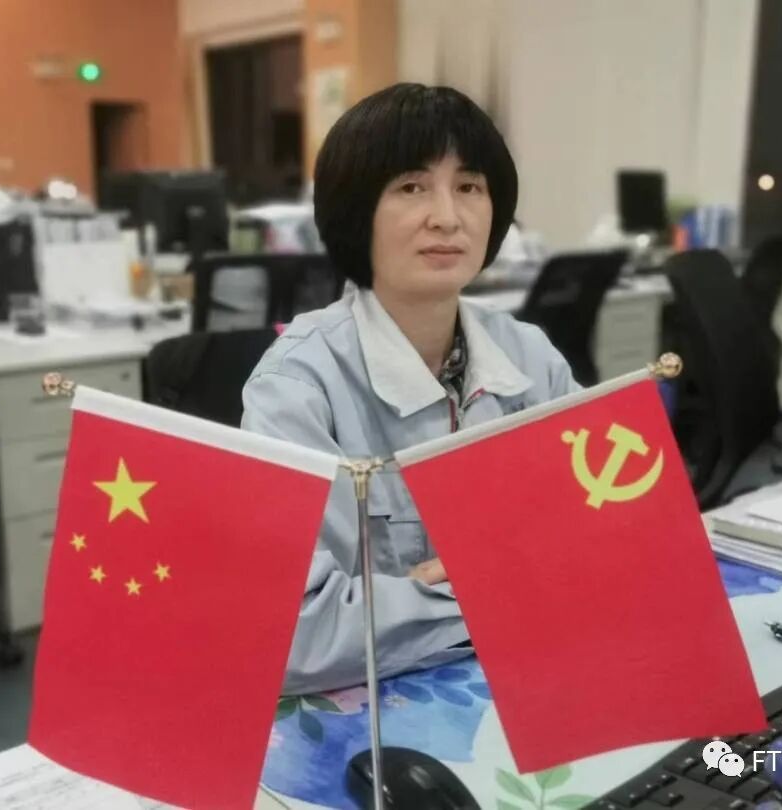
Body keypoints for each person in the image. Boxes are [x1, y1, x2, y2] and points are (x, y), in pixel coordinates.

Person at [241, 83, 579, 695]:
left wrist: (433, 596)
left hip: (532, 676)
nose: (447, 216)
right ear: (355, 210)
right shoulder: (296, 385)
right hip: (376, 711)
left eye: (469, 186)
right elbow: (292, 635)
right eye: (412, 187)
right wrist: (502, 587)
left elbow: (609, 541)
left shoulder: (532, 356)